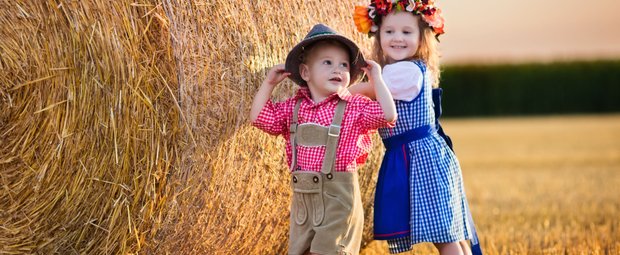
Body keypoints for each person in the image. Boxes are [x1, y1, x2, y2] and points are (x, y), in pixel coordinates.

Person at [250, 23, 396, 255]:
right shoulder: (293, 108)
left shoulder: (353, 107)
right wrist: (268, 85)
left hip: (339, 200)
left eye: (344, 65)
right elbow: (259, 118)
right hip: (304, 202)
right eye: (327, 62)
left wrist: (376, 78)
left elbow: (388, 114)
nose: (337, 69)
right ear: (306, 72)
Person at [351, 1, 483, 254]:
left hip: (420, 159)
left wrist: (333, 95)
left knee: (445, 236)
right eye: (389, 32)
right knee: (448, 232)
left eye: (406, 32)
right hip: (419, 156)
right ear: (378, 36)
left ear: (422, 39)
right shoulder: (399, 69)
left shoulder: (405, 72)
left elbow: (367, 91)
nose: (397, 38)